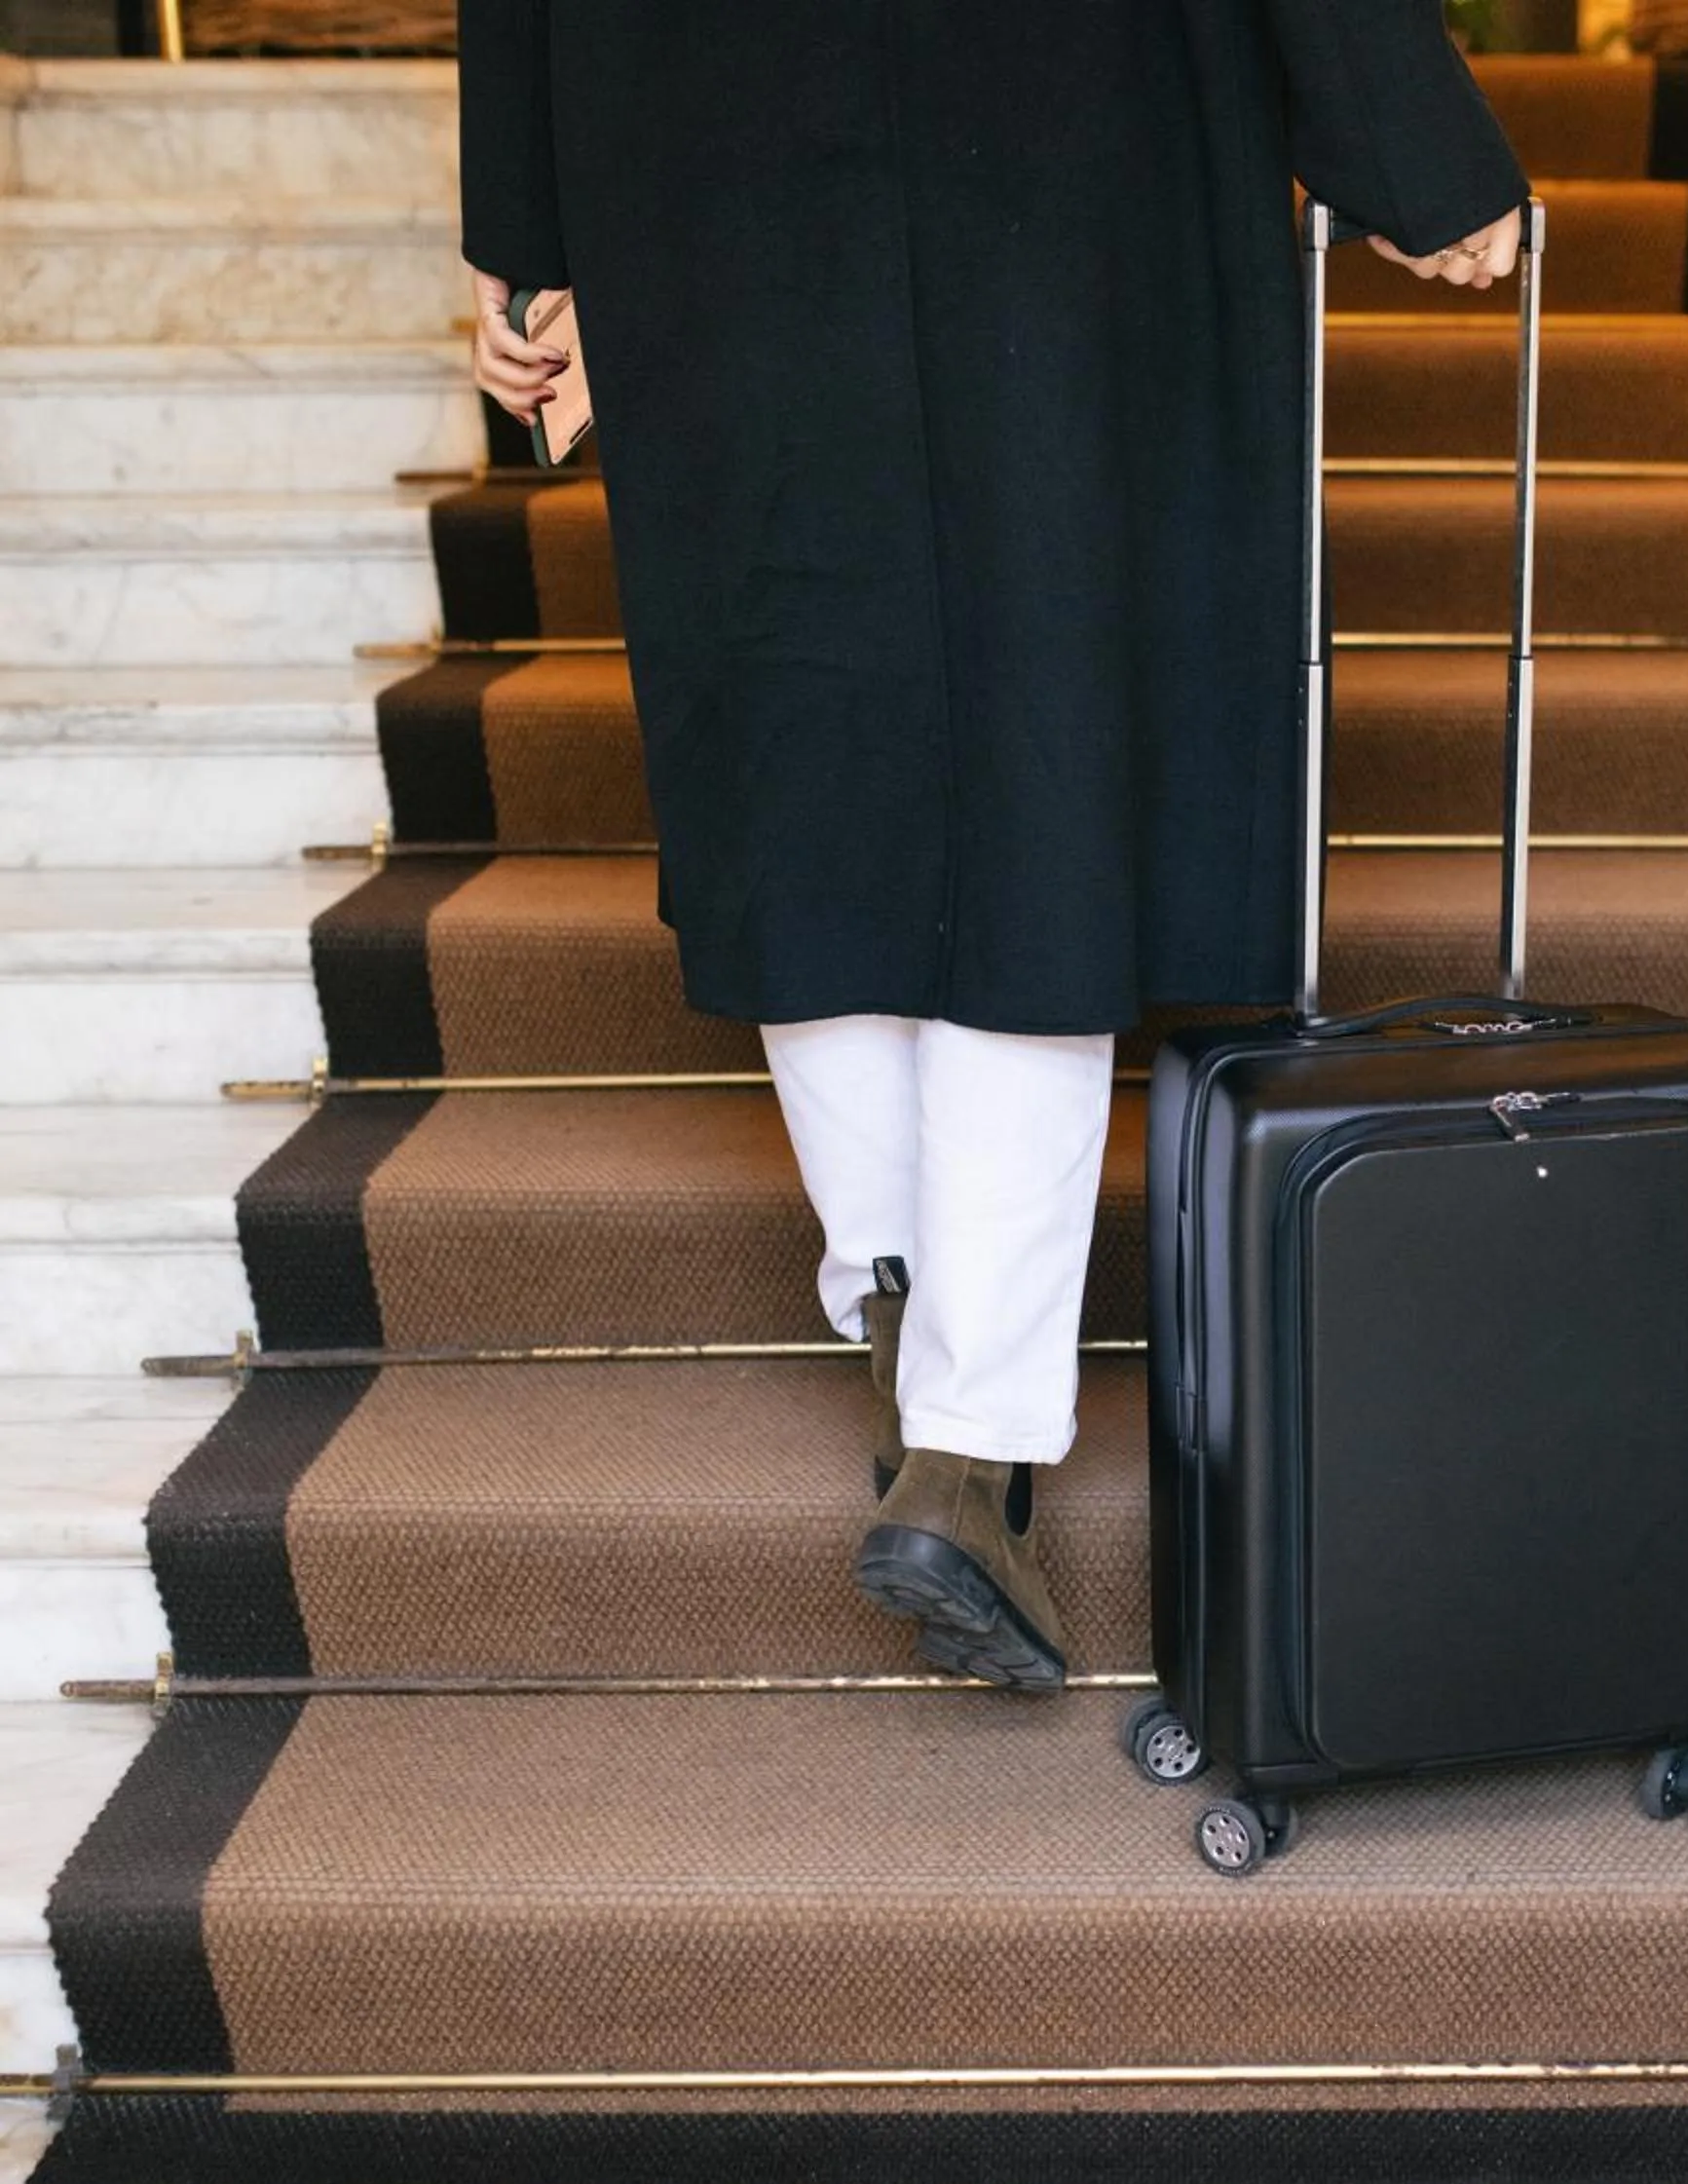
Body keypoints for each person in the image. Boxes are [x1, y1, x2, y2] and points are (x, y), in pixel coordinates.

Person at [459, 0, 1526, 1693]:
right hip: (1062, 139)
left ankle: (899, 1301)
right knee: (1052, 744)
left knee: (801, 737)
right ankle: (967, 1436)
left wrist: (530, 242)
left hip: (706, 140)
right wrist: (1414, 141)